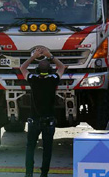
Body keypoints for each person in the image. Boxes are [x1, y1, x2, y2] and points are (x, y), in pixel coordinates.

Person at [20, 46, 66, 177]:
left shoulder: (33, 79)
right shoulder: (53, 79)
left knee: (30, 148)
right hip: (49, 121)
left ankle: (28, 173)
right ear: (50, 69)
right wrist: (50, 55)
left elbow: (22, 68)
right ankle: (44, 174)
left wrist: (33, 57)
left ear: (37, 69)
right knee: (47, 149)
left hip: (34, 120)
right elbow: (62, 67)